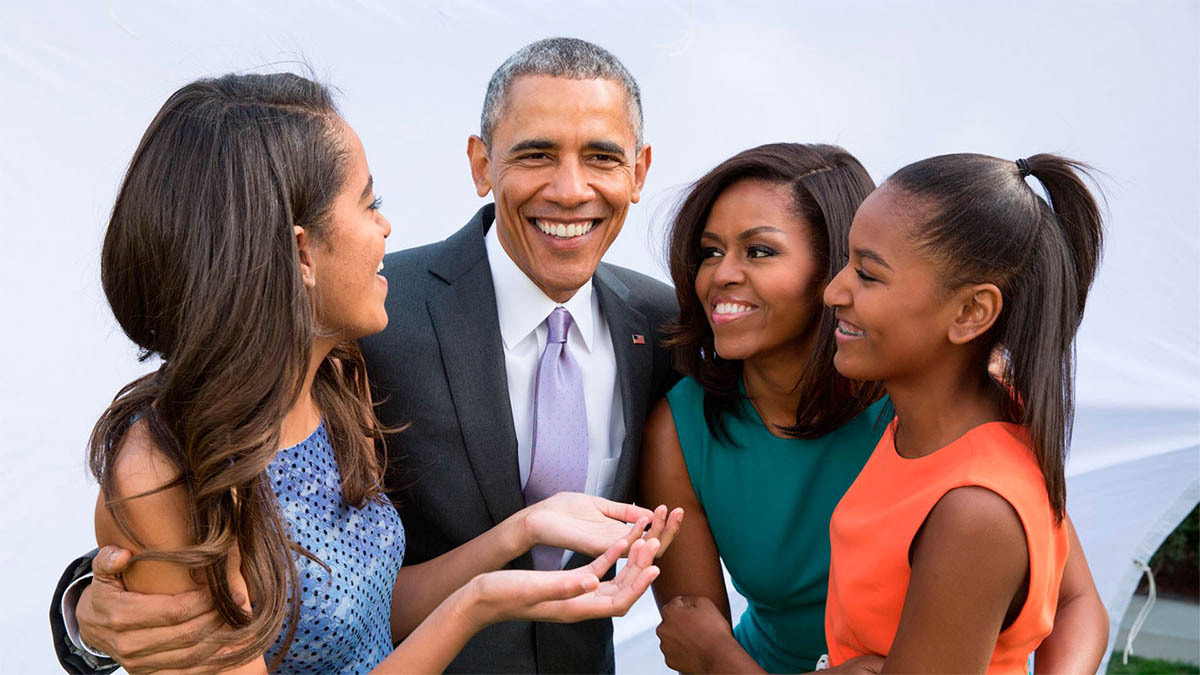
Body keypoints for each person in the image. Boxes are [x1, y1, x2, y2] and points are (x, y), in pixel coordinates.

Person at [52, 38, 683, 674]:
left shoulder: (663, 325)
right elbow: (186, 499)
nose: (571, 190)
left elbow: (355, 592)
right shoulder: (367, 322)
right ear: (482, 164)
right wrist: (86, 608)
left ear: (639, 171)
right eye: (536, 154)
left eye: (602, 156)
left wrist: (526, 531)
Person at [643, 145, 1109, 673]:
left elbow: (1071, 600)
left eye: (760, 252)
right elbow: (689, 621)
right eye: (709, 251)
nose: (720, 275)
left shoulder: (958, 441)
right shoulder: (919, 421)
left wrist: (717, 661)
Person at [822, 153, 1111, 672]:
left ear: (970, 312)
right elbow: (1078, 604)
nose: (833, 291)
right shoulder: (997, 413)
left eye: (867, 275)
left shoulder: (974, 512)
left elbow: (1078, 605)